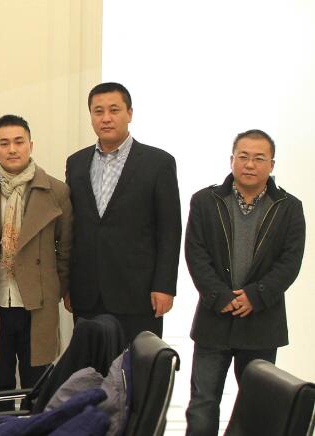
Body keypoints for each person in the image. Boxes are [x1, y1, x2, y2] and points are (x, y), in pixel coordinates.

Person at [184, 130, 305, 436]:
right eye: (243, 156)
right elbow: (196, 253)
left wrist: (255, 296)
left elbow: (290, 263)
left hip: (261, 323)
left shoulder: (289, 207)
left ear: (271, 165)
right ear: (232, 160)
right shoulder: (205, 201)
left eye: (259, 158)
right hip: (214, 319)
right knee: (202, 405)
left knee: (257, 408)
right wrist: (220, 295)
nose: (250, 164)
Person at [0, 115, 73, 413]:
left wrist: (53, 290)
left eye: (18, 142)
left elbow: (66, 250)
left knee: (37, 384)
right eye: (4, 143)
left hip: (37, 304)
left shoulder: (55, 190)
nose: (12, 149)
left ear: (30, 145)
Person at [66, 82, 181, 342]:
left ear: (129, 113)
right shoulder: (76, 163)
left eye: (114, 110)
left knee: (135, 364)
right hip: (87, 292)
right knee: (89, 364)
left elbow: (170, 231)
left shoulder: (158, 163)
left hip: (138, 293)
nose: (106, 118)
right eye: (98, 111)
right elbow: (74, 228)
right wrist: (69, 285)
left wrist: (164, 286)